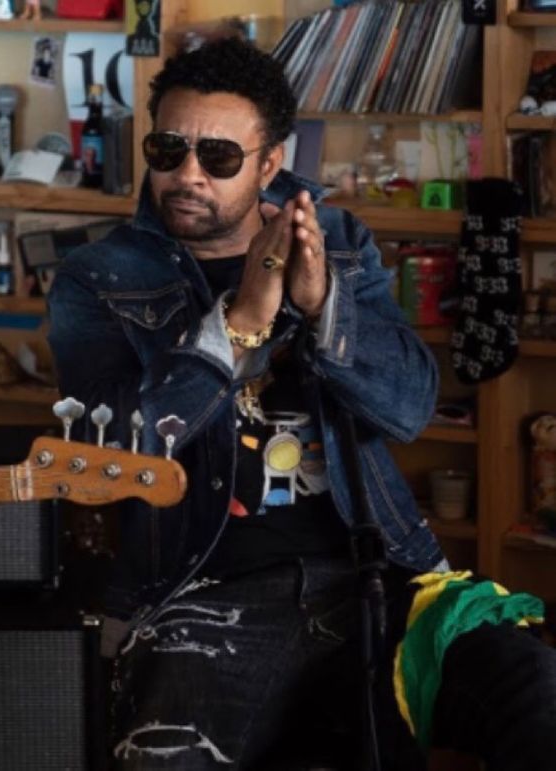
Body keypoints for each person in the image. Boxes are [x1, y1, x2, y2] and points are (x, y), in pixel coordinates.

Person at [47, 37, 556, 770]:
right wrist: (235, 327)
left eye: (219, 157)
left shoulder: (339, 241)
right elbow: (109, 453)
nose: (187, 175)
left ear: (269, 163)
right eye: (167, 149)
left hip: (380, 577)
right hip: (203, 590)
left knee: (534, 689)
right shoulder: (97, 277)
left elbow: (410, 405)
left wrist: (324, 311)